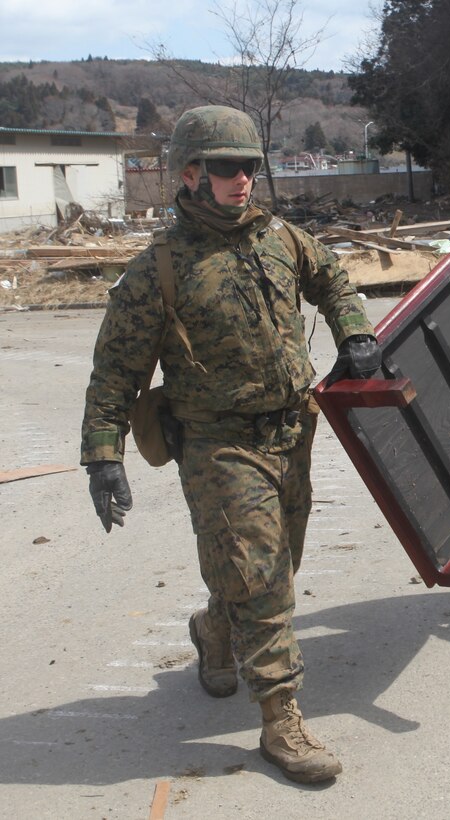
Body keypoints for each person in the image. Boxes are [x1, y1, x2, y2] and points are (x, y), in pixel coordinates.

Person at [81, 105, 381, 783]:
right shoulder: (157, 271)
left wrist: (355, 332)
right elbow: (115, 373)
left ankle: (215, 630)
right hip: (217, 447)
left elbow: (331, 276)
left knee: (277, 564)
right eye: (225, 168)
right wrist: (104, 457)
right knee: (263, 577)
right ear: (190, 174)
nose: (241, 179)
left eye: (249, 166)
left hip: (291, 431)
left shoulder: (279, 238)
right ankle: (282, 721)